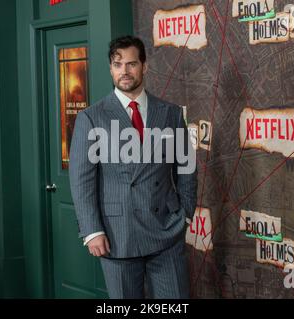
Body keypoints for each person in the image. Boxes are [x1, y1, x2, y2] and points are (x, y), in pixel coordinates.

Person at [69, 35, 197, 299]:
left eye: (131, 64)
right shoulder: (92, 117)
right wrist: (92, 230)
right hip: (118, 235)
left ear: (144, 66)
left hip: (166, 230)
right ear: (111, 69)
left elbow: (186, 167)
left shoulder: (170, 113)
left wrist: (184, 213)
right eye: (118, 65)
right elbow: (81, 180)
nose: (124, 72)